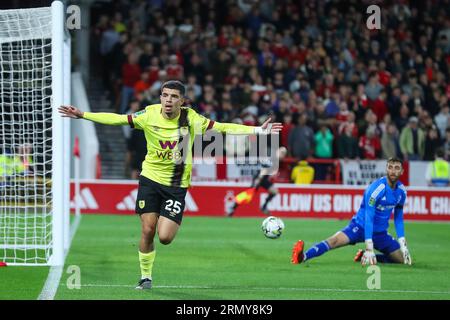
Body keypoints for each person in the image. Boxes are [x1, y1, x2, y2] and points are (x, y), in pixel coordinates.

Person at [58, 80, 282, 290]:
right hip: (150, 179)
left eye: (174, 97)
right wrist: (83, 115)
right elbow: (118, 118)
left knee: (164, 237)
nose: (168, 100)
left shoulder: (191, 119)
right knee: (147, 229)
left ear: (182, 101)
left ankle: (155, 253)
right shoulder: (149, 114)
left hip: (176, 185)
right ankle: (146, 276)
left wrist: (256, 130)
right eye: (164, 95)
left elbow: (222, 127)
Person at [291, 157, 412, 266]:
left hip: (380, 233)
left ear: (402, 172)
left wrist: (403, 243)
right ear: (386, 169)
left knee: (403, 261)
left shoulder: (401, 191)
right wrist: (370, 247)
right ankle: (303, 256)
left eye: (396, 168)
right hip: (359, 227)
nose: (393, 171)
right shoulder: (376, 189)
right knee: (334, 241)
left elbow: (398, 218)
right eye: (390, 167)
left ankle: (364, 255)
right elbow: (369, 217)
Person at [226, 147, 287, 217]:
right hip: (259, 178)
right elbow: (264, 169)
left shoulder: (276, 160)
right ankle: (233, 205)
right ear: (278, 151)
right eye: (282, 152)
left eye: (284, 154)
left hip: (264, 179)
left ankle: (264, 206)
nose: (283, 155)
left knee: (274, 191)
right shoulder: (273, 159)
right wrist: (259, 178)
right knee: (249, 195)